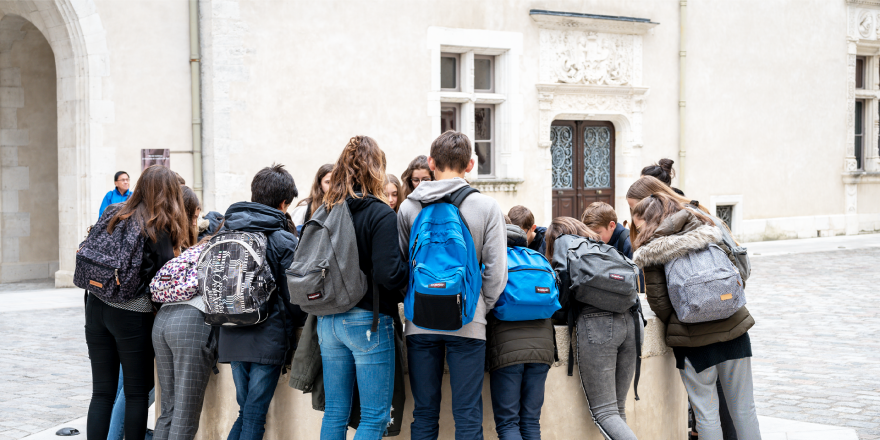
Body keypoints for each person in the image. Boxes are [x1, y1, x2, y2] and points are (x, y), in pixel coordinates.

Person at [398, 131, 507, 440]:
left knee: (425, 413)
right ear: (470, 164)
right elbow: (497, 273)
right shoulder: (486, 207)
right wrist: (477, 304)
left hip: (419, 323)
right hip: (468, 322)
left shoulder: (409, 207)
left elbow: (401, 267)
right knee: (468, 414)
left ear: (431, 163)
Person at [630, 193, 760, 440]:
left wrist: (684, 318)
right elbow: (737, 274)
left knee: (707, 415)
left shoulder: (653, 250)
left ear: (651, 220)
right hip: (735, 329)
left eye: (639, 225)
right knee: (744, 409)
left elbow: (659, 303)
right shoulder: (707, 229)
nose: (639, 231)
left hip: (694, 342)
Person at [85, 165, 189, 440]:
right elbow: (164, 277)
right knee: (135, 393)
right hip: (132, 312)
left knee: (102, 392)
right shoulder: (158, 224)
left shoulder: (112, 212)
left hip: (95, 303)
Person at [316, 136, 409, 439]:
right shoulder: (379, 212)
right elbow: (387, 273)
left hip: (327, 320)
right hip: (366, 319)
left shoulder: (328, 210)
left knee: (336, 411)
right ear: (377, 169)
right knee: (373, 416)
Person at [219, 164, 304, 440]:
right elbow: (294, 297)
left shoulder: (226, 232)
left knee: (246, 413)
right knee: (254, 418)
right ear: (283, 204)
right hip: (268, 337)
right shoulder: (282, 239)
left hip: (230, 331)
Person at [544, 217, 642, 440]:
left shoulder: (563, 242)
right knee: (616, 410)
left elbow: (562, 293)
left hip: (598, 325)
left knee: (604, 413)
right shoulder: (600, 245)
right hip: (631, 322)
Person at [151, 186, 217, 440]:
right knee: (185, 415)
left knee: (168, 409)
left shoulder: (197, 246)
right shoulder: (223, 246)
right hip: (190, 322)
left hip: (163, 320)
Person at [486, 212, 555, 440]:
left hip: (507, 350)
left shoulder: (495, 261)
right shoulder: (537, 258)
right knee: (531, 422)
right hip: (542, 350)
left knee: (508, 424)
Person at [291, 163, 334, 230]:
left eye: (336, 182)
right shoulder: (305, 207)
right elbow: (293, 234)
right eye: (328, 182)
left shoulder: (342, 205)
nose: (332, 186)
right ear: (319, 184)